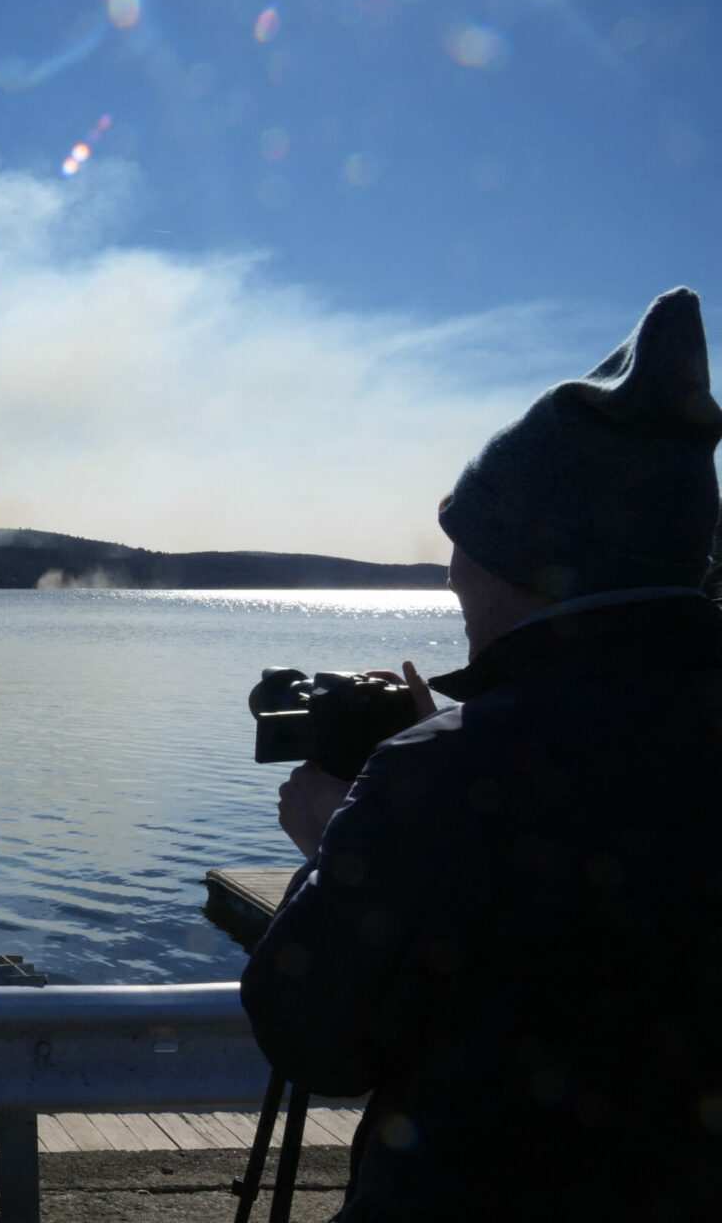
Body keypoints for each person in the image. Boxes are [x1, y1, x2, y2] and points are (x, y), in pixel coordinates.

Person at [241, 288, 722, 1220]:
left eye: (466, 545)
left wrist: (341, 836)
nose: (453, 572)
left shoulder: (443, 779)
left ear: (528, 563)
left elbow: (314, 1038)